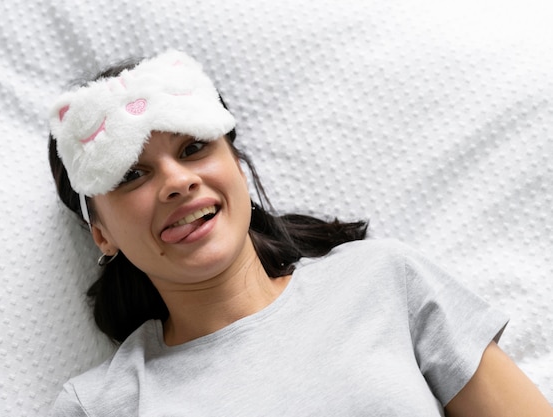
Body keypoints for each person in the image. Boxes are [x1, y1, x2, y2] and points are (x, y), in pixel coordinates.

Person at [47, 50, 553, 416]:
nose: (178, 182)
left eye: (194, 148)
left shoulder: (383, 280)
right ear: (102, 235)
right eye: (132, 175)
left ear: (237, 167)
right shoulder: (98, 406)